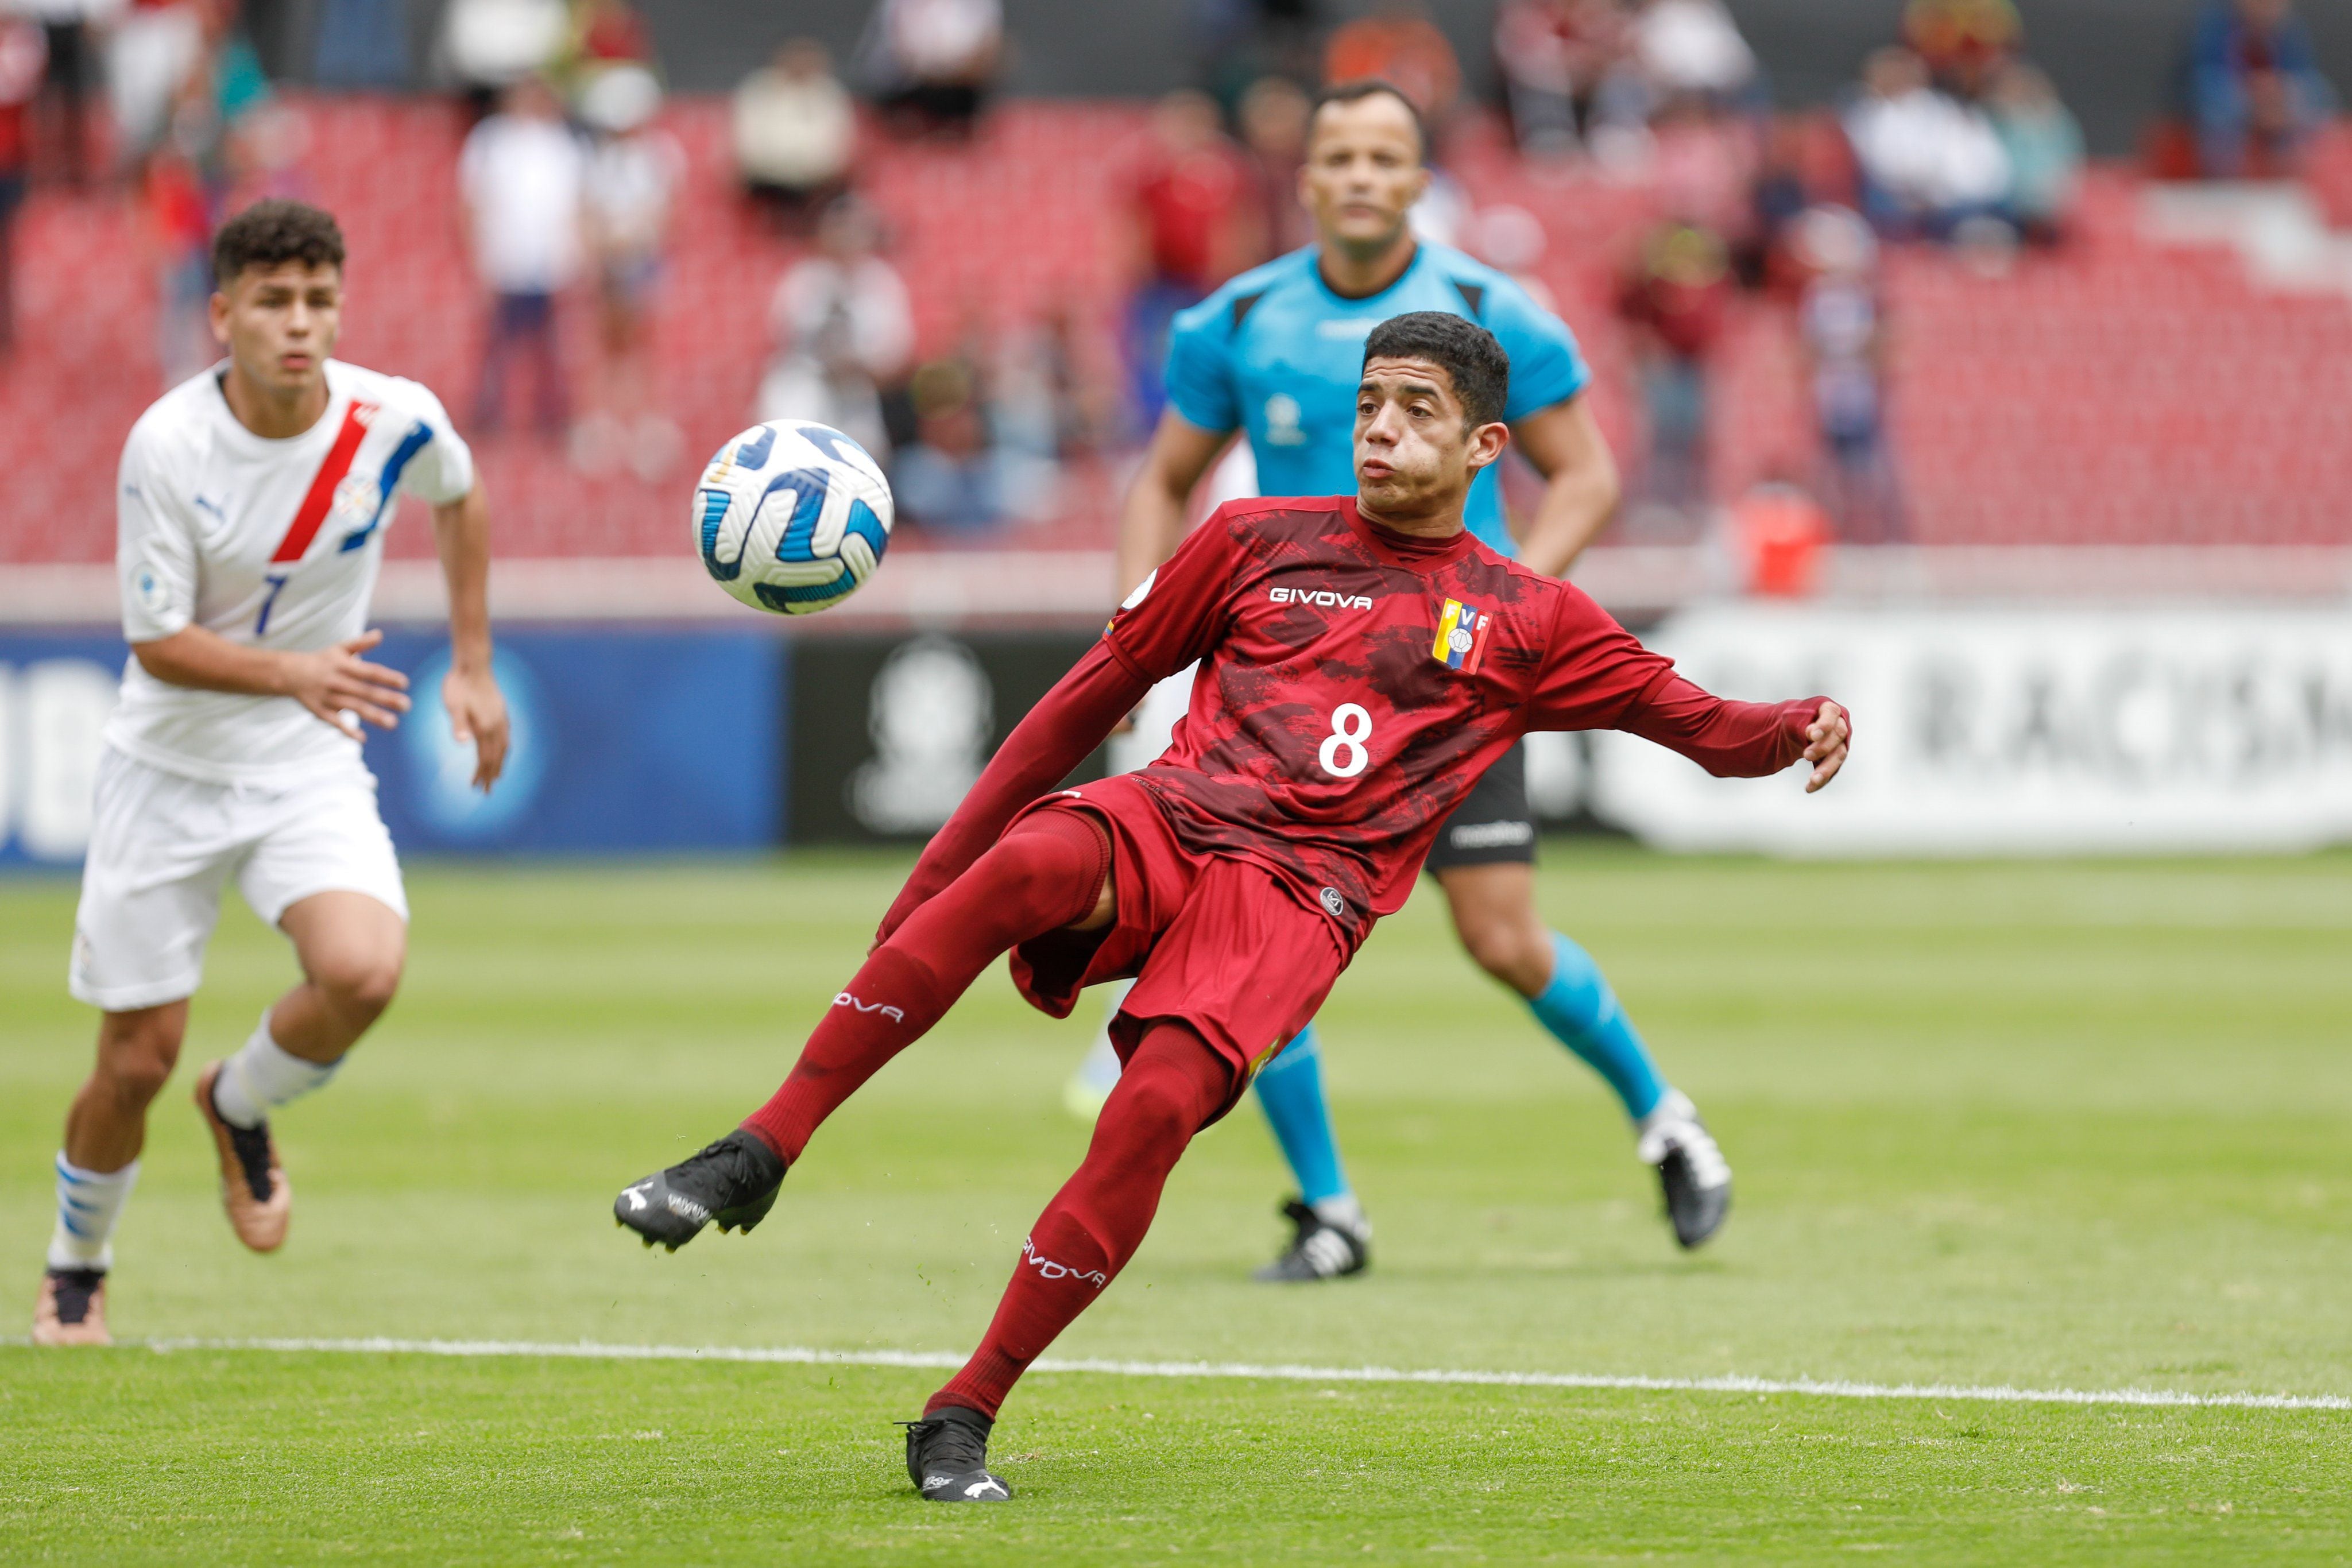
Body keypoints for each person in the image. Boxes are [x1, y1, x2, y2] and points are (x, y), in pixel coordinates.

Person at [611, 309, 1851, 1502]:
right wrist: (938, 873)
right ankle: (757, 1148)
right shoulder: (1253, 535)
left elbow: (1698, 727)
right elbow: (1087, 695)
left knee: (1149, 1110)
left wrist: (1794, 723)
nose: (1377, 430)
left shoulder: (1529, 617)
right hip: (1174, 814)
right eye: (1367, 404)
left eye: (1415, 411)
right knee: (1029, 862)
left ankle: (963, 1407)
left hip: (1299, 899)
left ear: (1484, 449)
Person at [1074, 78, 1736, 1281]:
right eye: (1341, 157)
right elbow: (1160, 481)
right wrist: (1135, 626)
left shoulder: (1487, 309)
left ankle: (1664, 1120)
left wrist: (1501, 617)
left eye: (1386, 155)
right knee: (1247, 941)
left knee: (1499, 934)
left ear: (1418, 178)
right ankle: (1329, 1210)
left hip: (1444, 689)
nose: (1363, 176)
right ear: (1309, 179)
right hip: (1284, 684)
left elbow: (1582, 474)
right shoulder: (1239, 318)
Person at [32, 199, 510, 1347]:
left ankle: (238, 1102)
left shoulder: (393, 418)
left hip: (304, 758)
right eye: (274, 302)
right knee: (133, 1059)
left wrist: (475, 664)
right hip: (169, 765)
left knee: (364, 970)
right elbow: (155, 641)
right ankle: (76, 1264)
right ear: (223, 314)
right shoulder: (168, 444)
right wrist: (292, 669)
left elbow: (460, 496)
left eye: (319, 301)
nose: (300, 325)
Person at [459, 74, 587, 440]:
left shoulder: (561, 144)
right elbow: (470, 203)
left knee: (551, 347)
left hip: (550, 262)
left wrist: (576, 258)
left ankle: (553, 417)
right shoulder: (490, 141)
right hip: (505, 259)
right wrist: (478, 256)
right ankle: (489, 414)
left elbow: (575, 206)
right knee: (499, 345)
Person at [576, 62, 683, 479]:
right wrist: (600, 252)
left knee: (642, 344)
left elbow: (668, 215)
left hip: (642, 263)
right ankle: (601, 423)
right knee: (605, 345)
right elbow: (586, 213)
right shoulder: (598, 160)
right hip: (609, 263)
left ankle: (647, 425)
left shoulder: (660, 157)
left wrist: (634, 243)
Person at [732, 38, 856, 220]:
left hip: (817, 184)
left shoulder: (830, 94)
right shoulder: (758, 90)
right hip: (767, 182)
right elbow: (745, 148)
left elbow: (841, 150)